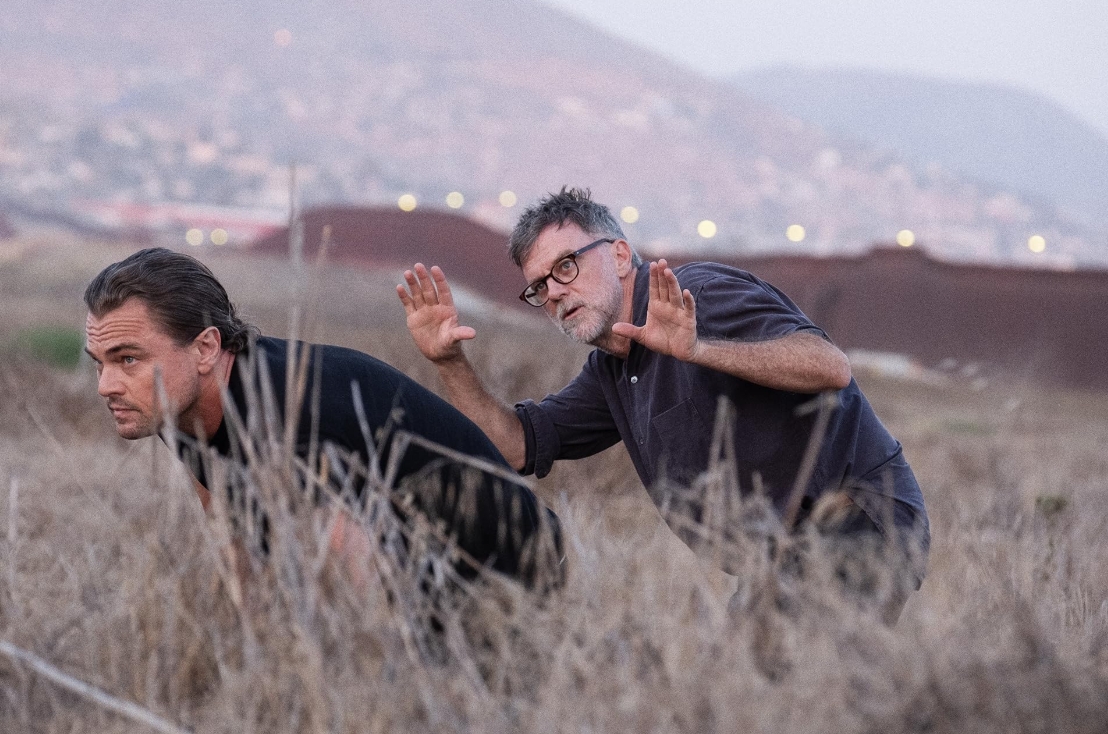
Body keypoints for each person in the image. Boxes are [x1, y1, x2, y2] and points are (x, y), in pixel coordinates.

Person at [397, 187, 929, 614]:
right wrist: (449, 363)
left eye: (566, 266)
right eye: (539, 287)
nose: (554, 292)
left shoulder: (695, 294)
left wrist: (698, 350)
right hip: (778, 560)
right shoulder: (611, 369)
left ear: (619, 255)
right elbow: (517, 446)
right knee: (741, 684)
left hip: (858, 521)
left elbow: (829, 367)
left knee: (776, 682)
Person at [83, 247, 562, 587]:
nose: (107, 385)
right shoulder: (180, 400)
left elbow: (356, 604)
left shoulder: (289, 410)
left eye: (128, 359)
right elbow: (233, 541)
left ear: (206, 347)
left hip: (515, 581)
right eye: (99, 362)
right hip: (417, 577)